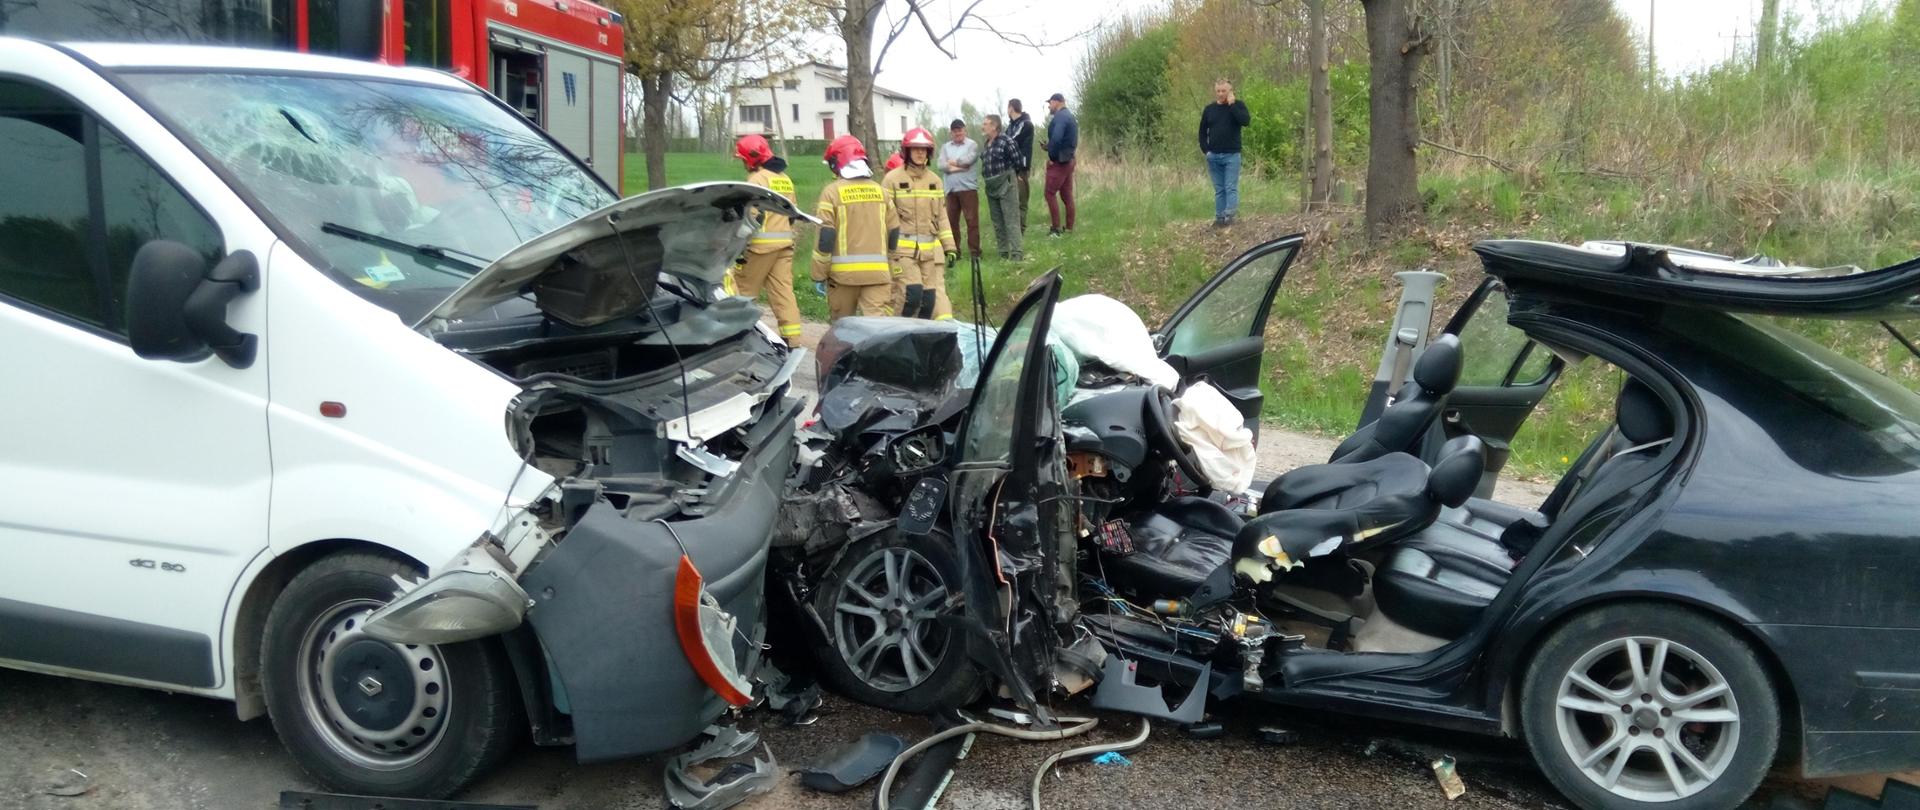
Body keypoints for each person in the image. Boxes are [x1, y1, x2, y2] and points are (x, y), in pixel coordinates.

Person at [810, 135, 900, 320]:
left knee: (843, 331)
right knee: (876, 332)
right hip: (878, 275)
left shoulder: (831, 193)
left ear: (838, 162)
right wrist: (890, 263)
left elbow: (826, 237)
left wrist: (819, 273)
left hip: (843, 278)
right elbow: (894, 232)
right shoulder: (881, 191)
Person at [730, 135, 803, 345]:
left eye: (743, 159)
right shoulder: (784, 178)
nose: (743, 163)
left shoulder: (757, 180)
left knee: (742, 294)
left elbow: (750, 217)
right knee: (784, 295)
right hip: (784, 246)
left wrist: (739, 246)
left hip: (760, 249)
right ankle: (793, 341)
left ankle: (739, 339)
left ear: (752, 159)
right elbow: (792, 214)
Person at [882, 127, 958, 319]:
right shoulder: (892, 179)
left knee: (929, 300)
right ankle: (898, 335)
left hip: (928, 254)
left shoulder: (935, 181)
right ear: (906, 151)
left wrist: (950, 247)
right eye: (915, 148)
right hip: (902, 252)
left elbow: (941, 216)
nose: (920, 153)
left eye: (923, 149)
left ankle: (921, 341)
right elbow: (883, 217)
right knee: (911, 295)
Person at [1199, 79, 1251, 227]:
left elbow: (1245, 121)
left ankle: (1230, 218)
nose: (1221, 94)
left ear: (1230, 91)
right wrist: (1206, 150)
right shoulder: (1209, 109)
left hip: (1232, 155)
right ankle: (1219, 218)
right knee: (1219, 189)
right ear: (1215, 91)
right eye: (1218, 91)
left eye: (1224, 91)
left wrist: (1232, 105)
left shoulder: (1238, 106)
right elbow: (1202, 131)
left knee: (1230, 187)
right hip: (1213, 156)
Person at [980, 114, 1024, 261]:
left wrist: (1012, 177)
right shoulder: (986, 144)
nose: (983, 126)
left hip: (1006, 183)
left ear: (994, 126)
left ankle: (1017, 253)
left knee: (1011, 219)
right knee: (998, 222)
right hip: (991, 187)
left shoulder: (1006, 140)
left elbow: (1018, 160)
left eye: (985, 123)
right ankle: (1003, 253)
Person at [940, 118, 982, 260]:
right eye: (955, 131)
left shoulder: (972, 145)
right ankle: (954, 251)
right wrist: (960, 167)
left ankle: (975, 252)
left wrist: (952, 164)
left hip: (968, 188)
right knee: (951, 222)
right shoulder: (945, 147)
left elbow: (969, 161)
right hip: (951, 190)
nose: (958, 133)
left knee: (972, 221)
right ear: (951, 132)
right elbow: (941, 165)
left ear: (965, 130)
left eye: (960, 130)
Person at [1040, 92, 1078, 236]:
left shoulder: (1060, 117)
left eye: (1050, 103)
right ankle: (1068, 229)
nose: (1049, 106)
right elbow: (1064, 140)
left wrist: (1052, 157)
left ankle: (1055, 229)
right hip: (1069, 159)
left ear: (1056, 102)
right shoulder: (1069, 116)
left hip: (1060, 162)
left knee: (1049, 193)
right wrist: (1048, 146)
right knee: (1067, 195)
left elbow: (1056, 138)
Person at [1005, 99, 1036, 233]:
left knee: (1021, 200)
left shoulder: (1026, 124)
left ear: (1011, 108)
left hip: (1021, 168)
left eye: (1008, 108)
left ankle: (1020, 230)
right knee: (1010, 200)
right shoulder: (1011, 126)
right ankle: (1012, 229)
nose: (1007, 111)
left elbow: (1010, 140)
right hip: (1008, 167)